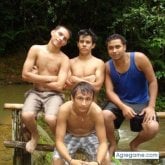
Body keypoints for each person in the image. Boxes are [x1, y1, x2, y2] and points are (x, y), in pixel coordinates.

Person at [102, 34, 159, 158]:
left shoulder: (139, 58)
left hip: (141, 101)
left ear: (124, 47)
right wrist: (122, 107)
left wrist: (151, 107)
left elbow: (152, 81)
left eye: (117, 47)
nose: (114, 51)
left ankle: (134, 144)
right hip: (120, 101)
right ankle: (112, 144)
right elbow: (109, 91)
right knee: (105, 115)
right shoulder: (107, 66)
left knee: (153, 127)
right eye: (110, 48)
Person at [21, 25, 71, 153]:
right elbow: (25, 75)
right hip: (35, 92)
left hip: (54, 94)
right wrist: (53, 78)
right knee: (26, 115)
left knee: (50, 118)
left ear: (65, 43)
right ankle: (35, 136)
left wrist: (37, 77)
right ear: (52, 32)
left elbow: (60, 86)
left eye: (64, 38)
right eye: (60, 34)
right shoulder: (36, 49)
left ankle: (59, 141)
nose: (61, 39)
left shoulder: (64, 59)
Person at [53, 81, 109, 165]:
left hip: (91, 135)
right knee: (57, 160)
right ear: (72, 98)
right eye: (80, 98)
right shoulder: (64, 109)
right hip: (71, 135)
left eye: (88, 99)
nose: (84, 103)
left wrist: (97, 162)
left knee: (105, 158)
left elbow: (103, 142)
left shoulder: (97, 111)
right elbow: (59, 141)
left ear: (92, 100)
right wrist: (70, 161)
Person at [66, 29, 105, 93]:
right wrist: (89, 80)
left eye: (88, 42)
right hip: (73, 101)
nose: (84, 44)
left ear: (93, 45)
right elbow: (68, 86)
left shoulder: (99, 63)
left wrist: (75, 79)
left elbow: (97, 88)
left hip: (91, 101)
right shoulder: (70, 62)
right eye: (81, 41)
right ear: (78, 44)